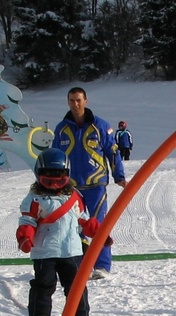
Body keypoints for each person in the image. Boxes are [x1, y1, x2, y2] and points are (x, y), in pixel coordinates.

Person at [16, 148, 101, 316]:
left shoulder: (74, 197)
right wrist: (25, 237)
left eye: (59, 178)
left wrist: (99, 233)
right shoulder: (35, 199)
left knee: (76, 287)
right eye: (48, 179)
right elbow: (27, 221)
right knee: (43, 287)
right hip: (45, 252)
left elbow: (83, 219)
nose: (54, 183)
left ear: (67, 175)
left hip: (71, 251)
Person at [53, 87, 128, 280]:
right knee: (72, 226)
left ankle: (101, 266)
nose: (75, 104)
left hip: (95, 185)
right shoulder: (61, 129)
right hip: (71, 188)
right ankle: (78, 265)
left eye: (78, 100)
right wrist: (53, 182)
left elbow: (112, 152)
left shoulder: (100, 126)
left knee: (98, 226)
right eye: (72, 100)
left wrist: (119, 176)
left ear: (85, 101)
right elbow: (55, 157)